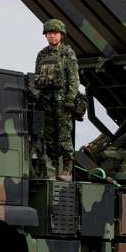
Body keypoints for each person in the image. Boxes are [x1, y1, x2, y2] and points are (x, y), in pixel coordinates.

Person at [33, 19, 81, 181]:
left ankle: (67, 169)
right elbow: (36, 78)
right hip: (46, 101)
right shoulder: (42, 55)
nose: (52, 36)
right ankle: (51, 170)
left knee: (64, 136)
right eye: (49, 33)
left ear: (61, 35)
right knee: (49, 137)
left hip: (62, 102)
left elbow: (74, 79)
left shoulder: (67, 53)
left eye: (55, 33)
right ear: (45, 35)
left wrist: (70, 99)